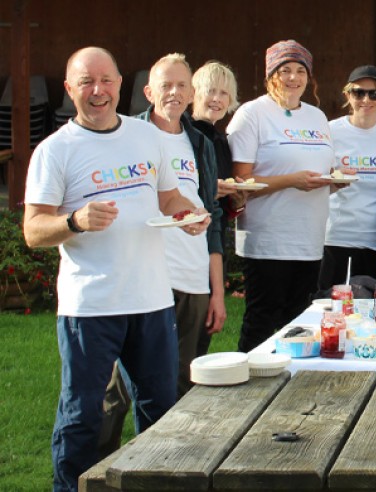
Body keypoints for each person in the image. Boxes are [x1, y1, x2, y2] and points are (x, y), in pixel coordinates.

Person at [22, 46, 209, 492]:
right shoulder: (55, 151)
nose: (98, 90)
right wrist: (74, 221)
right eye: (86, 82)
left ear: (121, 84)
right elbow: (33, 229)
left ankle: (154, 485)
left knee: (161, 409)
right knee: (82, 416)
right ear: (69, 89)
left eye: (106, 80)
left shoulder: (146, 138)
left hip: (152, 300)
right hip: (91, 306)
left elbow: (168, 197)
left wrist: (188, 214)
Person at [228, 40, 343, 352]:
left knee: (301, 325)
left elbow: (321, 170)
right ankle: (250, 380)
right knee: (262, 323)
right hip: (268, 240)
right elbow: (240, 181)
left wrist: (334, 180)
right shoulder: (252, 114)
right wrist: (291, 181)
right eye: (285, 70)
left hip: (309, 238)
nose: (294, 77)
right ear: (270, 76)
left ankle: (293, 380)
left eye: (300, 71)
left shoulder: (317, 117)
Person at [137, 53, 225, 396]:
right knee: (121, 385)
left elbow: (212, 216)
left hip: (192, 276)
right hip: (144, 275)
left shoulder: (200, 143)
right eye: (166, 85)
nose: (174, 92)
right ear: (149, 92)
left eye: (181, 86)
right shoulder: (132, 136)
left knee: (185, 378)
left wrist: (217, 292)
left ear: (191, 94)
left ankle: (177, 436)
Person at [319, 65, 376, 289]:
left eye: (374, 93)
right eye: (358, 93)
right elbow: (317, 178)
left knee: (375, 306)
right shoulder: (329, 131)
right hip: (336, 236)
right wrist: (331, 178)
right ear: (347, 95)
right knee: (332, 304)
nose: (366, 100)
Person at [191, 60, 241, 356]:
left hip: (215, 239)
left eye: (224, 93)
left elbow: (223, 202)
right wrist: (210, 190)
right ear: (194, 93)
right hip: (189, 240)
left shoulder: (221, 140)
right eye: (211, 91)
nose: (217, 99)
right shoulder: (186, 136)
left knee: (204, 329)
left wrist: (236, 199)